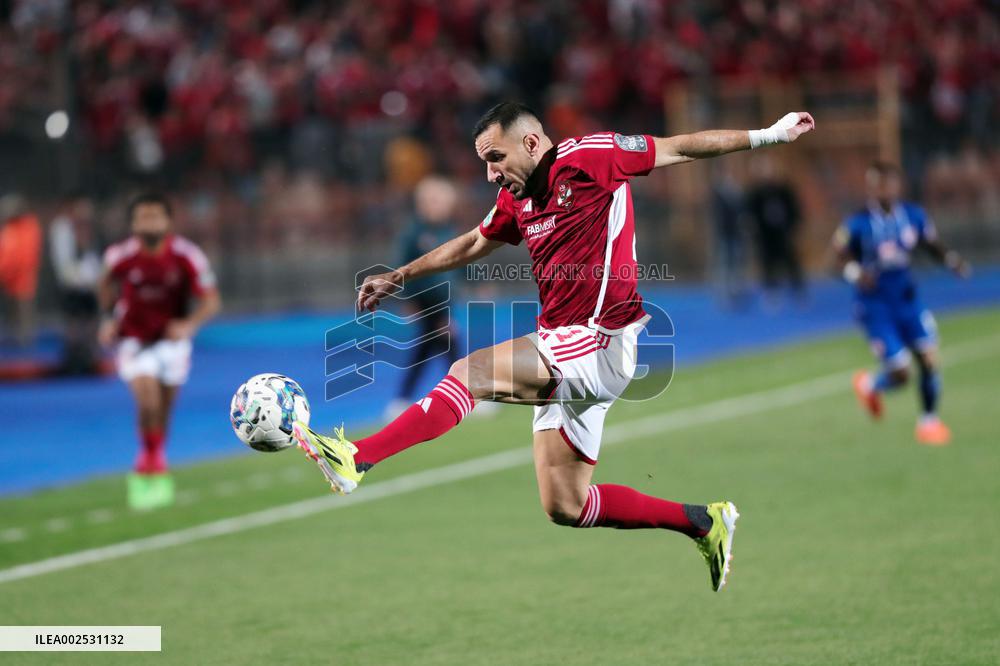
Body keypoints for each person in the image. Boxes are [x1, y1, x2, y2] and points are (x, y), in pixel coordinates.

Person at [293, 103, 814, 591]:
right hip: (564, 346)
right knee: (566, 504)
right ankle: (703, 522)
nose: (490, 174)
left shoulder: (593, 157)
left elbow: (679, 147)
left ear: (531, 142)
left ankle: (358, 456)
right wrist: (401, 275)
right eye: (485, 163)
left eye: (496, 158)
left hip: (600, 340)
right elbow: (474, 241)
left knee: (471, 372)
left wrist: (769, 134)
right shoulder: (516, 197)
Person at [98, 193, 221, 510]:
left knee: (163, 410)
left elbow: (211, 300)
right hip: (134, 339)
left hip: (172, 341)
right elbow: (104, 284)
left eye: (155, 216)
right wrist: (108, 318)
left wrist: (189, 325)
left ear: (168, 221)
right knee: (148, 400)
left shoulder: (187, 256)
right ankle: (147, 464)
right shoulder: (120, 256)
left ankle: (155, 458)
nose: (149, 222)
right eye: (143, 216)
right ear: (133, 224)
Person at [834, 162, 970, 446]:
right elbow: (836, 257)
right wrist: (856, 273)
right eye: (878, 185)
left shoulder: (913, 215)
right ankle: (870, 385)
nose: (884, 190)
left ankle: (929, 422)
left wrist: (952, 260)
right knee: (901, 373)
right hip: (876, 306)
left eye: (889, 183)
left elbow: (930, 243)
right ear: (871, 189)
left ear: (897, 186)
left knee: (929, 359)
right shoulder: (858, 223)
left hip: (907, 299)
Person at [384, 176, 464, 421]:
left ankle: (403, 399)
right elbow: (402, 268)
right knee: (448, 344)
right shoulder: (414, 234)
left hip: (444, 301)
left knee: (429, 349)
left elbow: (460, 262)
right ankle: (464, 393)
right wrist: (408, 299)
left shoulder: (448, 231)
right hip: (426, 302)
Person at [49, 192, 103, 375]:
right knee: (74, 323)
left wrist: (95, 278)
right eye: (83, 207)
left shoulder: (87, 228)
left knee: (90, 321)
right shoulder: (62, 228)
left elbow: (92, 256)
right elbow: (64, 262)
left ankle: (88, 358)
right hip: (72, 284)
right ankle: (72, 359)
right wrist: (79, 279)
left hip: (88, 282)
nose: (86, 211)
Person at [743, 155, 805, 303]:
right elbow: (750, 214)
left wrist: (793, 225)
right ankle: (771, 291)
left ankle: (798, 290)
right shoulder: (755, 193)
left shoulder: (784, 189)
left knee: (790, 260)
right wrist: (753, 229)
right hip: (765, 235)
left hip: (783, 232)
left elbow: (794, 209)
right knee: (767, 263)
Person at [0, 194, 42, 347]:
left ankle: (26, 342)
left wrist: (13, 271)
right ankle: (13, 339)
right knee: (12, 310)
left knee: (24, 308)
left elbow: (28, 254)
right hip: (7, 275)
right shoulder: (8, 227)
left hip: (23, 276)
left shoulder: (29, 226)